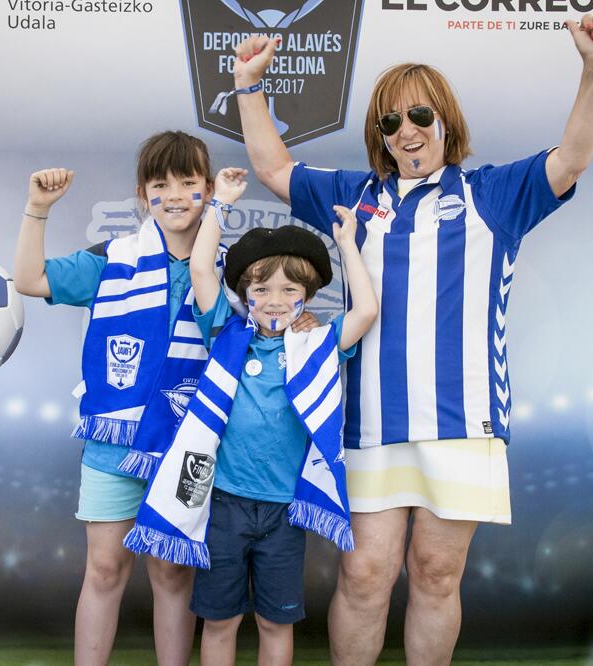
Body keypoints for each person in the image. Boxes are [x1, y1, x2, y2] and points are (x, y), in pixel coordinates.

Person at [229, 14, 593, 665]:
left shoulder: (494, 194)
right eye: (391, 122)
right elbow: (275, 169)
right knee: (364, 575)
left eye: (419, 116)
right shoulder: (356, 196)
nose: (406, 132)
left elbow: (573, 156)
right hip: (371, 424)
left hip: (461, 422)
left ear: (444, 122)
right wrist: (248, 86)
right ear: (379, 135)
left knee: (437, 573)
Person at [12, 132, 315, 665]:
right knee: (105, 568)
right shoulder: (115, 257)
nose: (175, 195)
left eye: (188, 182)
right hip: (114, 442)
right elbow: (30, 279)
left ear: (207, 187)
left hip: (189, 446)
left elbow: (270, 326)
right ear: (142, 193)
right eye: (161, 184)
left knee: (172, 572)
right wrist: (37, 210)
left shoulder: (233, 271)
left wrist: (303, 323)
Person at [123, 166, 377, 666]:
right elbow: (201, 270)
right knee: (219, 621)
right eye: (260, 290)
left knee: (273, 622)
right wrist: (220, 205)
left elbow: (365, 312)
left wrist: (348, 245)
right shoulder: (227, 334)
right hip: (224, 505)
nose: (275, 301)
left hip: (284, 511)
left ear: (307, 295)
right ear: (244, 295)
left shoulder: (316, 344)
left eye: (288, 291)